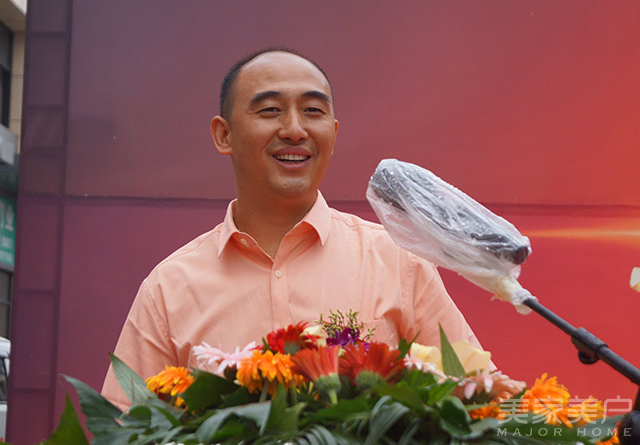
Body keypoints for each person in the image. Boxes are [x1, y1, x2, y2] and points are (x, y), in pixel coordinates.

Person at [101, 48, 483, 409]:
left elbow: (478, 400)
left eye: (313, 111)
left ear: (333, 133)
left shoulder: (398, 262)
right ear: (224, 135)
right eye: (270, 110)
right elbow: (125, 428)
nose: (295, 130)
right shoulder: (169, 289)